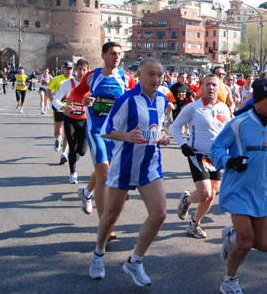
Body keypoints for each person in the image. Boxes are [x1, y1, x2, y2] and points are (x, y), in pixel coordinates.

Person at [89, 58, 170, 286]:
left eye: (160, 75)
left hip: (150, 165)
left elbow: (158, 127)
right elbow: (106, 131)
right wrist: (127, 136)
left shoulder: (163, 99)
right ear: (139, 76)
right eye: (151, 74)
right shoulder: (127, 100)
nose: (156, 79)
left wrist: (163, 136)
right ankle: (98, 253)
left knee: (160, 214)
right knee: (111, 216)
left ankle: (135, 261)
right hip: (124, 165)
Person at [210, 78, 267, 294]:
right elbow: (215, 148)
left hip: (263, 192)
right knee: (246, 242)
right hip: (239, 190)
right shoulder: (239, 122)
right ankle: (229, 279)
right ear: (258, 100)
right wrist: (229, 161)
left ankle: (230, 236)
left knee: (266, 245)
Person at [73, 42, 136, 222]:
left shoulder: (126, 78)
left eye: (119, 54)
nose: (117, 57)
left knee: (105, 169)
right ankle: (104, 225)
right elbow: (76, 94)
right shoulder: (93, 76)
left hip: (117, 133)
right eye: (113, 54)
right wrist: (84, 100)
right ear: (103, 56)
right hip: (96, 131)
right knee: (105, 175)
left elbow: (134, 99)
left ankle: (86, 193)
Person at [171, 74, 231, 239]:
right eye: (207, 85)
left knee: (211, 194)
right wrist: (183, 145)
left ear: (219, 88)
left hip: (216, 157)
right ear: (202, 87)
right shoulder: (193, 107)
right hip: (197, 154)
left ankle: (194, 223)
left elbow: (229, 133)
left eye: (214, 85)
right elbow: (175, 126)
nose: (211, 88)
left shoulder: (224, 108)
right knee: (204, 193)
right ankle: (187, 201)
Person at [52, 59, 89, 184]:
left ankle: (74, 156)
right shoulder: (68, 84)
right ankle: (73, 173)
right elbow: (55, 100)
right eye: (79, 69)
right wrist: (63, 107)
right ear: (75, 69)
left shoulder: (91, 85)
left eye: (84, 69)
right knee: (72, 145)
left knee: (82, 151)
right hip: (70, 120)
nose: (82, 72)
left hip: (85, 121)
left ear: (87, 71)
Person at [47, 62, 74, 164]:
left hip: (69, 108)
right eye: (67, 69)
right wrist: (53, 101)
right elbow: (48, 91)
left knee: (67, 131)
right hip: (59, 107)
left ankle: (64, 154)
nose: (69, 71)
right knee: (58, 132)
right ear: (63, 69)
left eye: (70, 68)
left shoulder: (74, 80)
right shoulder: (57, 79)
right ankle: (58, 139)